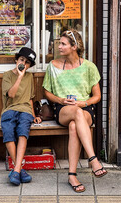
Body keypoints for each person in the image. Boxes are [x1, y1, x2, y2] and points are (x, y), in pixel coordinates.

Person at [42, 29, 107, 193]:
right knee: (75, 113)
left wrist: (82, 102)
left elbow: (97, 96)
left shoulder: (89, 67)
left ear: (74, 46)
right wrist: (61, 100)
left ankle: (72, 175)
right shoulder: (54, 66)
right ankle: (93, 159)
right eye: (59, 43)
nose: (59, 47)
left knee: (74, 126)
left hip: (85, 108)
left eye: (63, 44)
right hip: (63, 108)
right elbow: (47, 92)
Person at [1, 47, 41, 185]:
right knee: (8, 132)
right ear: (16, 60)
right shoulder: (7, 75)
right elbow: (11, 95)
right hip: (9, 109)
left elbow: (29, 98)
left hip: (25, 110)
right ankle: (19, 169)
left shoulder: (30, 77)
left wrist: (34, 115)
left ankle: (16, 170)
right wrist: (19, 76)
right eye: (22, 59)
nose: (24, 63)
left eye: (27, 62)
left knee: (23, 132)